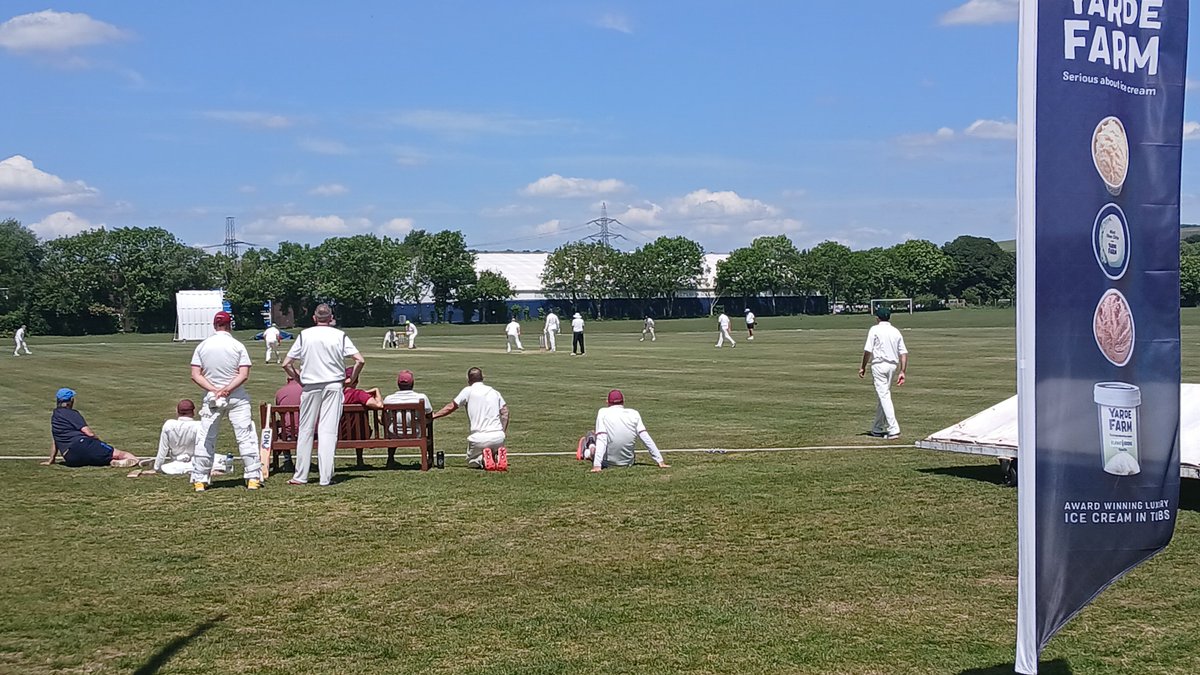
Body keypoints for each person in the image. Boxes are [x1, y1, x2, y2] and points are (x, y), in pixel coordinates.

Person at [282, 303, 363, 486]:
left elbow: (286, 363)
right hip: (334, 384)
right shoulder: (339, 335)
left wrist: (298, 378)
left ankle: (300, 476)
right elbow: (359, 360)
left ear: (314, 317)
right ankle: (325, 477)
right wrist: (351, 379)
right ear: (331, 318)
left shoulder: (305, 335)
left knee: (306, 430)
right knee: (328, 431)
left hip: (310, 385)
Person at [189, 311, 264, 491]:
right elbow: (244, 374)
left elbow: (195, 374)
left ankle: (200, 479)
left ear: (215, 325)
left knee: (206, 437)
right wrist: (227, 389)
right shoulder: (237, 346)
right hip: (236, 396)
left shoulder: (202, 346)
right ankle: (253, 477)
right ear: (230, 325)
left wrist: (214, 390)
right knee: (245, 435)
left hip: (212, 398)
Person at [433, 367, 509, 471]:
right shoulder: (495, 392)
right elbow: (505, 413)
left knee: (471, 462)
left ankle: (482, 459)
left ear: (469, 380)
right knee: (492, 448)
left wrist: (434, 416)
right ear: (483, 377)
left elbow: (451, 407)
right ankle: (496, 456)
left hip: (478, 438)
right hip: (498, 437)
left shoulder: (468, 390)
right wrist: (502, 432)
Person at [44, 388, 139, 468]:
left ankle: (110, 461)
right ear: (71, 401)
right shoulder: (72, 414)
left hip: (70, 457)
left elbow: (55, 440)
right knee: (120, 454)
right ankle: (132, 460)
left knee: (95, 458)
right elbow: (89, 433)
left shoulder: (55, 416)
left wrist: (51, 460)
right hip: (81, 445)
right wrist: (98, 442)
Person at [580, 389, 670, 472]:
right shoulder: (634, 413)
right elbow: (646, 438)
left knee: (593, 447)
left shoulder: (603, 412)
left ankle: (588, 449)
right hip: (628, 462)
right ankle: (590, 444)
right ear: (623, 402)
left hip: (607, 462)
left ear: (608, 402)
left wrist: (597, 465)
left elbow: (602, 439)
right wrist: (660, 460)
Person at [858, 306, 908, 440]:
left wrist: (863, 366)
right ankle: (877, 428)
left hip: (879, 365)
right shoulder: (896, 331)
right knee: (883, 395)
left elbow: (868, 350)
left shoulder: (874, 329)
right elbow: (903, 353)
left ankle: (894, 429)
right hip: (892, 366)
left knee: (884, 395)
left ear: (877, 318)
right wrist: (902, 371)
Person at [383, 369, 433, 466]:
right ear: (412, 383)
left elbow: (385, 419)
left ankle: (390, 458)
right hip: (415, 433)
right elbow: (429, 415)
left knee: (392, 426)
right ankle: (428, 458)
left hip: (394, 433)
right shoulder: (421, 397)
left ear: (398, 384)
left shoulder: (389, 399)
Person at [274, 372, 302, 473]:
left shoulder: (280, 392)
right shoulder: (308, 391)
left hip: (289, 434)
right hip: (310, 432)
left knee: (285, 429)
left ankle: (287, 459)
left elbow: (279, 411)